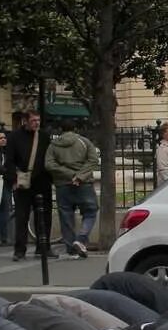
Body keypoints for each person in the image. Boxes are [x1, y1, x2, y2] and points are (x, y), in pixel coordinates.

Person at [47, 118, 101, 260]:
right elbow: (93, 160)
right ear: (75, 129)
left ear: (60, 130)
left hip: (62, 185)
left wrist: (67, 174)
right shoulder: (84, 142)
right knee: (90, 212)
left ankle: (71, 248)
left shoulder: (54, 145)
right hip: (84, 184)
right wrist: (79, 176)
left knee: (66, 215)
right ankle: (81, 239)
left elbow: (49, 164)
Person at [8, 110, 51, 262]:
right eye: (33, 120)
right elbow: (9, 161)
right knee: (22, 217)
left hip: (42, 181)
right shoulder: (14, 137)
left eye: (38, 120)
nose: (36, 123)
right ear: (25, 121)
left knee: (44, 216)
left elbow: (49, 158)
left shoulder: (44, 136)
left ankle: (43, 247)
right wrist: (14, 179)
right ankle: (20, 250)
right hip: (23, 182)